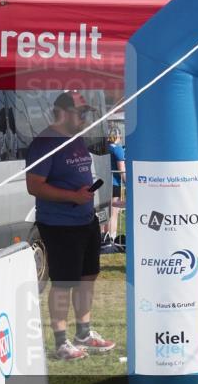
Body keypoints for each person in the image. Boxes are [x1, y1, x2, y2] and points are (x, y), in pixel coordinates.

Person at [25, 92, 116, 360]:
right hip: (59, 224)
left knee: (88, 277)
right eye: (81, 113)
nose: (85, 118)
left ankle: (84, 333)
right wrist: (73, 197)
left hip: (85, 221)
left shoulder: (76, 138)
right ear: (63, 112)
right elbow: (34, 186)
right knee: (64, 282)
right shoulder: (45, 142)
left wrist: (83, 198)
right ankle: (61, 342)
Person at [102, 128, 126, 253]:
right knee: (113, 213)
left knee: (103, 211)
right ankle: (111, 239)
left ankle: (103, 237)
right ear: (117, 136)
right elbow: (122, 170)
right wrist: (128, 183)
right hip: (114, 184)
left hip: (102, 183)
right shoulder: (117, 149)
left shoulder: (104, 148)